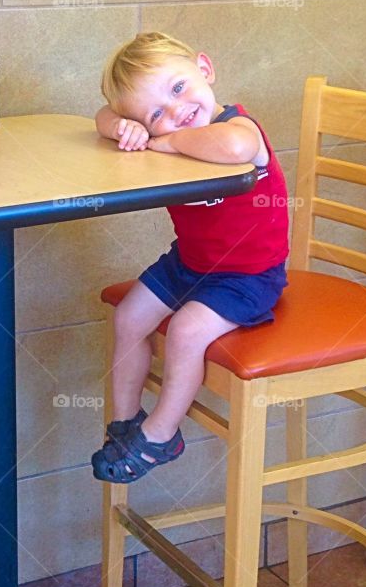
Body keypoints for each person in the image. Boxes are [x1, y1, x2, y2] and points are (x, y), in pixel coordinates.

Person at [91, 31, 289, 483]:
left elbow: (236, 149)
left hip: (249, 276)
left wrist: (164, 139)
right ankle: (125, 425)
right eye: (156, 112)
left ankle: (161, 435)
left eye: (178, 89)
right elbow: (103, 117)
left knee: (184, 332)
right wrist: (127, 126)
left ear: (205, 68)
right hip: (190, 264)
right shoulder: (168, 130)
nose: (177, 112)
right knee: (127, 318)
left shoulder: (238, 127)